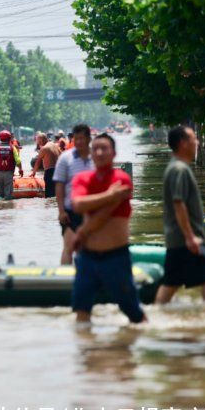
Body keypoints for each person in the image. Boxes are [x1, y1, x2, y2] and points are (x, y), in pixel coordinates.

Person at [70, 133, 146, 324]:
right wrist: (110, 195)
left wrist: (82, 231)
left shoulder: (122, 179)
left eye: (105, 148)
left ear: (114, 153)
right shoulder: (82, 179)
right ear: (90, 153)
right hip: (87, 257)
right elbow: (78, 205)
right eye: (95, 148)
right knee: (81, 312)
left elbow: (103, 215)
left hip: (116, 256)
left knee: (133, 313)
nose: (100, 152)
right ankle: (87, 351)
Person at [157, 126, 205, 304]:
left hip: (179, 239)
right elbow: (178, 203)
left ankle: (156, 316)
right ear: (183, 144)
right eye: (193, 138)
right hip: (187, 240)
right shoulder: (179, 170)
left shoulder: (178, 167)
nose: (197, 142)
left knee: (171, 283)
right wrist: (190, 237)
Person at [53, 124, 93, 265]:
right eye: (77, 138)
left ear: (89, 139)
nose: (79, 141)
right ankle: (64, 283)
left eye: (82, 138)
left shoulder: (96, 157)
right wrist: (61, 211)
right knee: (68, 248)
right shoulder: (65, 158)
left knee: (87, 250)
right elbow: (59, 185)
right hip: (70, 212)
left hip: (91, 211)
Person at [0, 130, 22, 200]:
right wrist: (20, 169)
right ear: (9, 139)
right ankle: (8, 207)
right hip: (9, 173)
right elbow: (18, 161)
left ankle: (0, 206)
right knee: (8, 193)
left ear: (0, 138)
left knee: (0, 193)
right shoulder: (13, 148)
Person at [30, 133, 61, 198]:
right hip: (58, 171)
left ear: (41, 140)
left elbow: (38, 162)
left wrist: (33, 172)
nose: (38, 144)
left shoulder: (44, 148)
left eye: (38, 142)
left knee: (49, 195)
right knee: (57, 193)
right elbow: (62, 155)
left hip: (50, 172)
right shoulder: (55, 145)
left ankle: (49, 206)